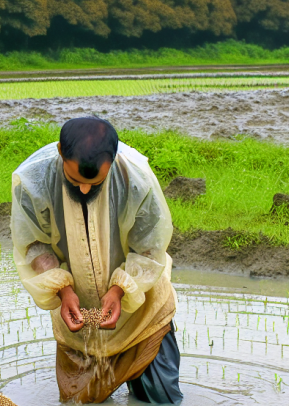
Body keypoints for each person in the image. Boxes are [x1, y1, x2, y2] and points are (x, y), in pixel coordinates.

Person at [10, 117, 183, 404]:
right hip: (77, 315)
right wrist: (64, 291)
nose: (86, 190)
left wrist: (119, 291)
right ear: (60, 152)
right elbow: (33, 245)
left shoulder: (135, 179)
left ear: (112, 163)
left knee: (159, 401)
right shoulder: (33, 182)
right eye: (75, 181)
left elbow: (149, 248)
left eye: (95, 182)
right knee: (79, 402)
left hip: (141, 311)